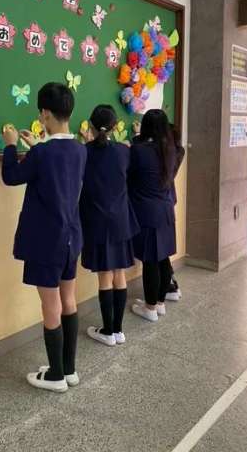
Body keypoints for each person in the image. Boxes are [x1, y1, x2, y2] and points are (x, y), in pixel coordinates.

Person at [1, 83, 87, 393]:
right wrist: (37, 144)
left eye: (41, 113)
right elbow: (58, 169)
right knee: (68, 300)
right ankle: (69, 369)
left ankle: (55, 376)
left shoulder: (42, 153)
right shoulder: (80, 149)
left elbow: (11, 176)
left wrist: (11, 146)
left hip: (46, 240)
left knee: (50, 305)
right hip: (71, 237)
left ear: (45, 114)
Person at [79, 105, 139, 346]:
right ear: (115, 128)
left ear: (90, 126)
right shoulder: (124, 151)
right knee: (119, 274)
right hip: (121, 221)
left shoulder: (84, 152)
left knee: (105, 276)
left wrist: (88, 142)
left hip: (96, 221)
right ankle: (118, 331)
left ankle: (107, 332)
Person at [128, 109, 176, 322]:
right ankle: (159, 302)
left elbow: (130, 172)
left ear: (145, 127)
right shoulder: (169, 149)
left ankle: (150, 308)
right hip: (165, 211)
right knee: (163, 258)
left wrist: (136, 138)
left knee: (150, 262)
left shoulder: (139, 151)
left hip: (147, 213)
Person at [165, 124, 185, 301]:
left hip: (161, 203)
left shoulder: (167, 155)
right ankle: (170, 285)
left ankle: (169, 286)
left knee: (159, 253)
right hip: (168, 202)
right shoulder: (177, 151)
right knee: (162, 251)